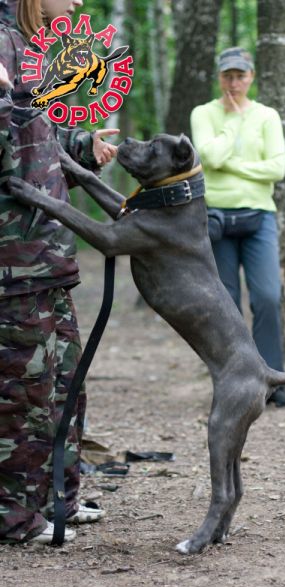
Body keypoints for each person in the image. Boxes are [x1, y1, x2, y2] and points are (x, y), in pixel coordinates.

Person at [0, 0, 119, 544]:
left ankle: (56, 500)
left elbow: (34, 146)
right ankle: (14, 517)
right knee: (21, 396)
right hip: (13, 262)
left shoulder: (28, 49)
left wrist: (82, 148)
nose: (75, 3)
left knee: (64, 386)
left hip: (47, 258)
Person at [190, 47, 285, 408]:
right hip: (217, 218)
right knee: (227, 304)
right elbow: (209, 157)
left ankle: (273, 382)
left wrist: (230, 164)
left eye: (240, 76)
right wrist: (233, 123)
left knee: (267, 296)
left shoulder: (267, 116)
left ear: (251, 77)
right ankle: (233, 383)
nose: (234, 83)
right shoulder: (204, 113)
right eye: (228, 76)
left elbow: (276, 169)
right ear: (219, 77)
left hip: (259, 217)